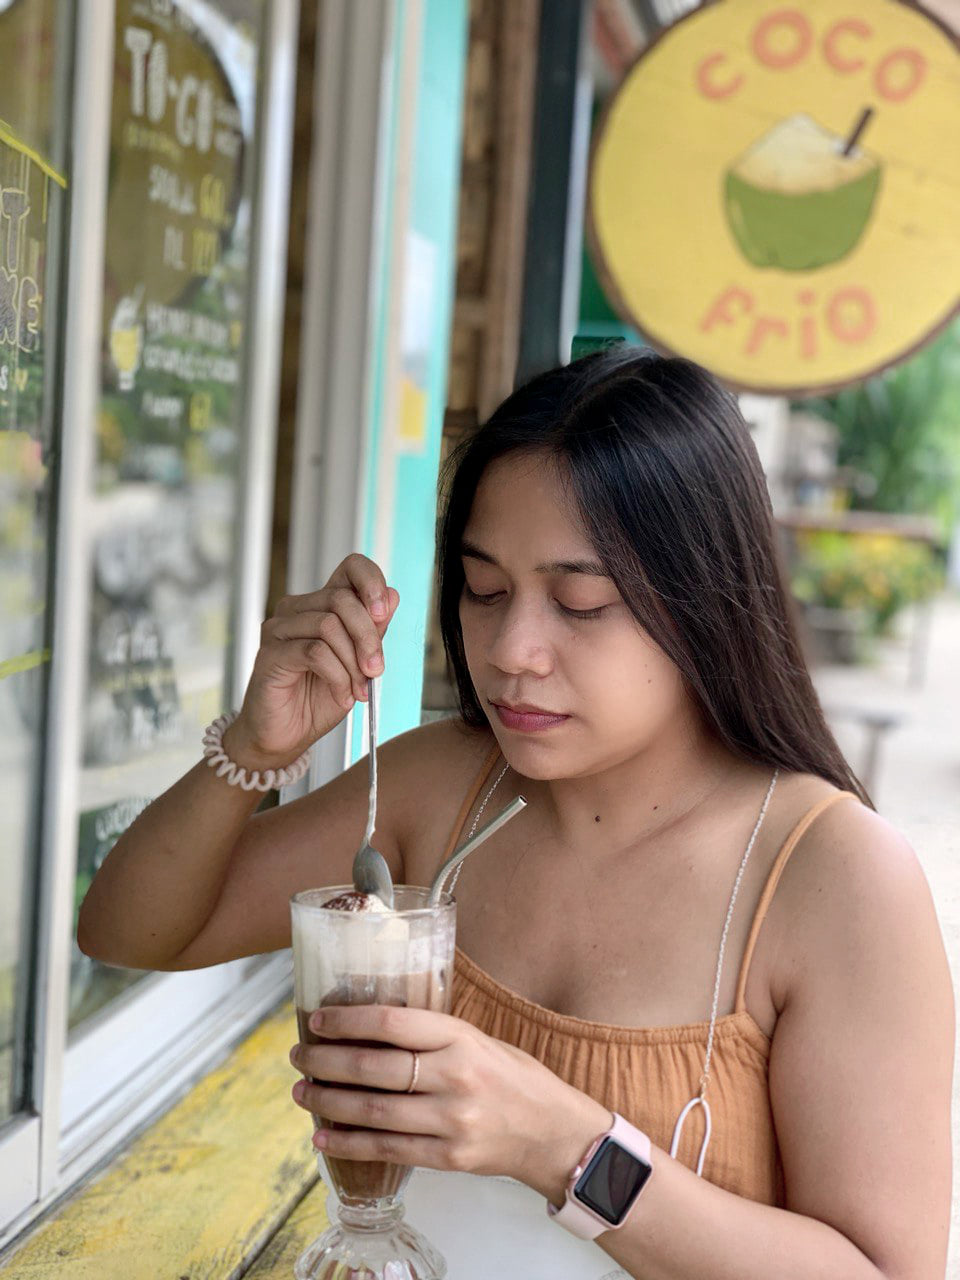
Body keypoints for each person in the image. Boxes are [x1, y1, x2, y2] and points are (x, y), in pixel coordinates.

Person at [78, 348, 954, 1279]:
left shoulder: (830, 878)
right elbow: (130, 931)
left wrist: (562, 1143)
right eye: (485, 590)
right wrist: (255, 749)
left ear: (705, 602)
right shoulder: (445, 790)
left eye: (580, 603)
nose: (510, 650)